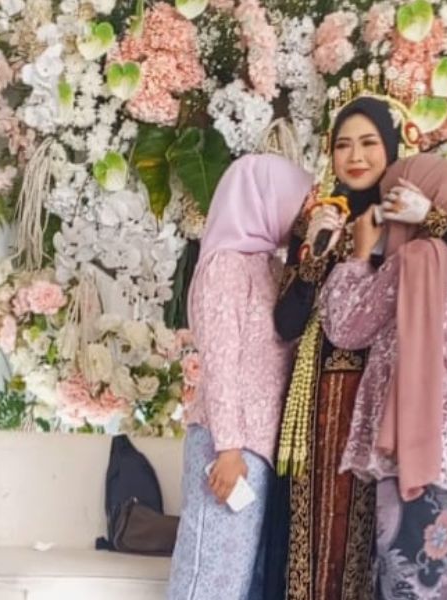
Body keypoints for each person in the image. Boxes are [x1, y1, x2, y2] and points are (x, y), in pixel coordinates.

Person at [263, 92, 447, 600]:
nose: (355, 156)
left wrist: (431, 217)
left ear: (392, 147)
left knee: (375, 550)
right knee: (312, 541)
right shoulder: (318, 220)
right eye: (343, 145)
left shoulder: (409, 220)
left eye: (369, 143)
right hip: (319, 404)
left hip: (385, 404)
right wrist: (315, 256)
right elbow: (287, 324)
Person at [321, 153, 447, 599]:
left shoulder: (417, 261)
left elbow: (346, 327)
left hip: (414, 442)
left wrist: (359, 254)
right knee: (427, 586)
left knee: (402, 587)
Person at [167, 154, 312, 600]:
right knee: (209, 578)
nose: (302, 212)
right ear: (266, 199)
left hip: (258, 450)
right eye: (297, 201)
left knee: (239, 581)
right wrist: (228, 449)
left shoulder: (269, 266)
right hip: (228, 446)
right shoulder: (225, 265)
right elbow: (221, 361)